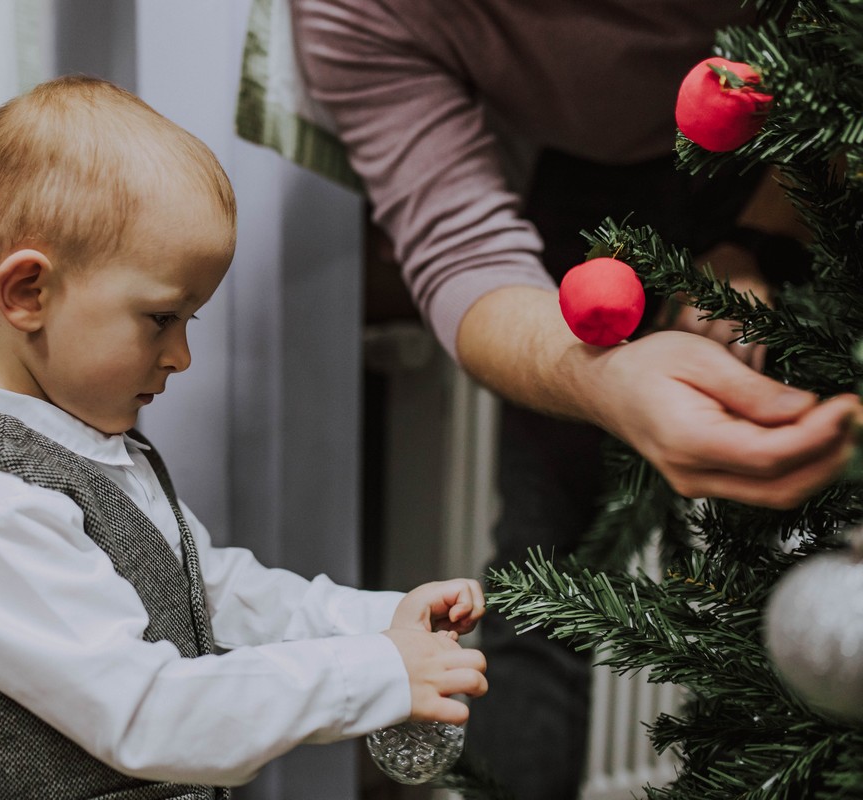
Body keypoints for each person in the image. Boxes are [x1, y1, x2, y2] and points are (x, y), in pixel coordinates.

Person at [288, 2, 862, 799]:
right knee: (539, 571)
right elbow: (464, 257)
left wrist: (760, 236)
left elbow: (842, 53)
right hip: (591, 184)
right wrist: (599, 380)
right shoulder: (351, 18)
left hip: (801, 148)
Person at [0, 75, 489, 799]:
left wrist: (371, 623)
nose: (181, 356)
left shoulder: (101, 456)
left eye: (190, 321)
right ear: (27, 294)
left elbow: (214, 593)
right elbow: (151, 714)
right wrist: (372, 673)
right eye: (160, 318)